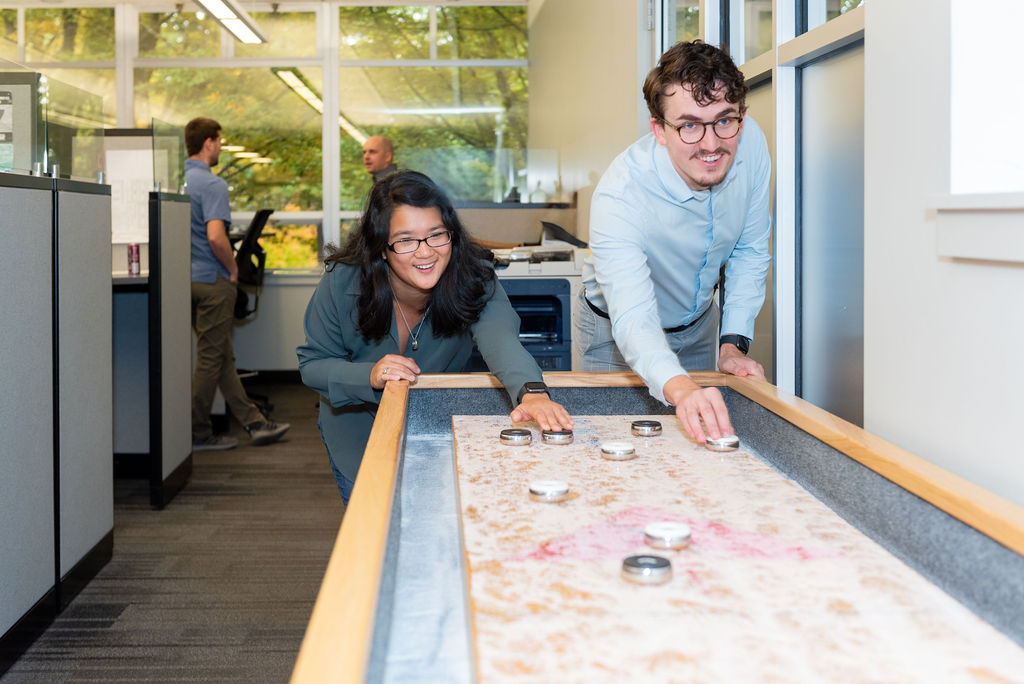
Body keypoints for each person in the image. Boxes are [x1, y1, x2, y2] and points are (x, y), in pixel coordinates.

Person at [297, 170, 574, 502]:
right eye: (405, 240)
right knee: (373, 536)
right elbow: (313, 365)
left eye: (435, 235)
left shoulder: (475, 279)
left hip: (434, 425)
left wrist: (532, 392)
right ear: (382, 247)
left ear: (451, 234)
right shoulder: (342, 281)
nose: (425, 252)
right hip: (356, 433)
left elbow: (501, 340)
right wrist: (368, 375)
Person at [575, 40, 771, 446]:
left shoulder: (751, 144)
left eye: (724, 120)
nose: (711, 144)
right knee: (616, 452)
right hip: (613, 333)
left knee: (701, 447)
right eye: (689, 125)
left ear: (742, 116)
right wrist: (679, 387)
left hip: (700, 325)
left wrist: (732, 344)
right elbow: (632, 315)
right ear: (658, 130)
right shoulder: (620, 194)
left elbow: (749, 249)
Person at [185, 117, 290, 450]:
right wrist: (232, 269)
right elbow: (216, 237)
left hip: (185, 279)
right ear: (209, 143)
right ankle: (198, 433)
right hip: (212, 281)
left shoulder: (179, 181)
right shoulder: (213, 185)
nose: (220, 148)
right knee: (210, 359)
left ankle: (254, 423)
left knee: (221, 357)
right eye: (219, 141)